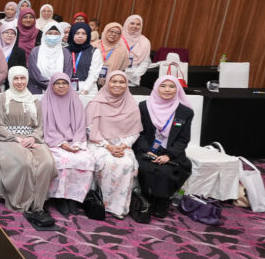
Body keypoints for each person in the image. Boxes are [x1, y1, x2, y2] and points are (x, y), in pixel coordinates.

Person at [0, 67, 56, 226]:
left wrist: (33, 138)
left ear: (27, 79)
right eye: (16, 78)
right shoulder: (1, 99)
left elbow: (39, 126)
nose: (19, 82)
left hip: (32, 139)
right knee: (25, 163)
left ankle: (38, 204)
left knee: (47, 163)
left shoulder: (34, 100)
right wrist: (16, 138)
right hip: (8, 139)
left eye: (22, 78)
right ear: (10, 80)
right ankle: (23, 202)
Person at [133, 76, 193, 219]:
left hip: (171, 151)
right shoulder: (144, 106)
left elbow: (183, 139)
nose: (167, 89)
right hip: (147, 149)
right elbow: (139, 132)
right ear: (156, 87)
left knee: (167, 171)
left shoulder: (185, 111)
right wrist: (148, 150)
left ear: (178, 89)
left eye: (172, 86)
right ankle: (147, 199)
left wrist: (169, 155)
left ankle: (162, 202)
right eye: (163, 86)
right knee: (147, 167)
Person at [85, 71, 141, 219]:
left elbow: (135, 132)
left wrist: (123, 145)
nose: (118, 85)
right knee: (108, 162)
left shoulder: (132, 104)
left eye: (122, 82)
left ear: (127, 84)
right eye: (114, 81)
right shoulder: (96, 103)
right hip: (99, 142)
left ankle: (118, 207)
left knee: (127, 163)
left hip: (122, 144)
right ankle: (100, 204)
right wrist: (108, 146)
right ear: (107, 83)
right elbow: (89, 128)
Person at [42, 73, 97, 217]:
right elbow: (45, 128)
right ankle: (59, 198)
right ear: (52, 85)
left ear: (69, 85)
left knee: (86, 159)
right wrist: (61, 143)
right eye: (57, 83)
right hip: (54, 142)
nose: (61, 86)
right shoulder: (45, 101)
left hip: (75, 141)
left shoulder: (75, 100)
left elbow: (80, 125)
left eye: (64, 83)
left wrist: (77, 143)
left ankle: (74, 198)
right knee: (61, 160)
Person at [28, 25, 71, 94]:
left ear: (61, 35)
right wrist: (53, 85)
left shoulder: (65, 52)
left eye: (56, 33)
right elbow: (34, 74)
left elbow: (67, 73)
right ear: (44, 34)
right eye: (50, 33)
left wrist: (59, 85)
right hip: (38, 89)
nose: (53, 36)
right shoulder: (35, 51)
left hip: (60, 90)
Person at [66, 21, 102, 95]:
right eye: (77, 33)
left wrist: (85, 90)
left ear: (88, 35)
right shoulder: (64, 50)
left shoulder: (94, 51)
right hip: (66, 87)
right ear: (72, 34)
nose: (80, 36)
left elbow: (94, 73)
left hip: (88, 89)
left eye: (84, 33)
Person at [93, 23, 130, 87]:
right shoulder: (93, 46)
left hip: (111, 84)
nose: (113, 34)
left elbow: (122, 68)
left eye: (117, 33)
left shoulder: (122, 50)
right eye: (111, 31)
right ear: (105, 31)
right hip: (91, 83)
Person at [122, 15, 152, 87]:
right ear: (126, 24)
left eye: (138, 24)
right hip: (114, 75)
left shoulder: (145, 41)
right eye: (132, 23)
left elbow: (145, 62)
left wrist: (134, 76)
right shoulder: (118, 38)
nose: (135, 26)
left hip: (132, 79)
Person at [0, 20, 27, 84]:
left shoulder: (20, 52)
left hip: (11, 85)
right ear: (1, 33)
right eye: (6, 32)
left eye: (13, 33)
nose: (9, 35)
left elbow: (21, 73)